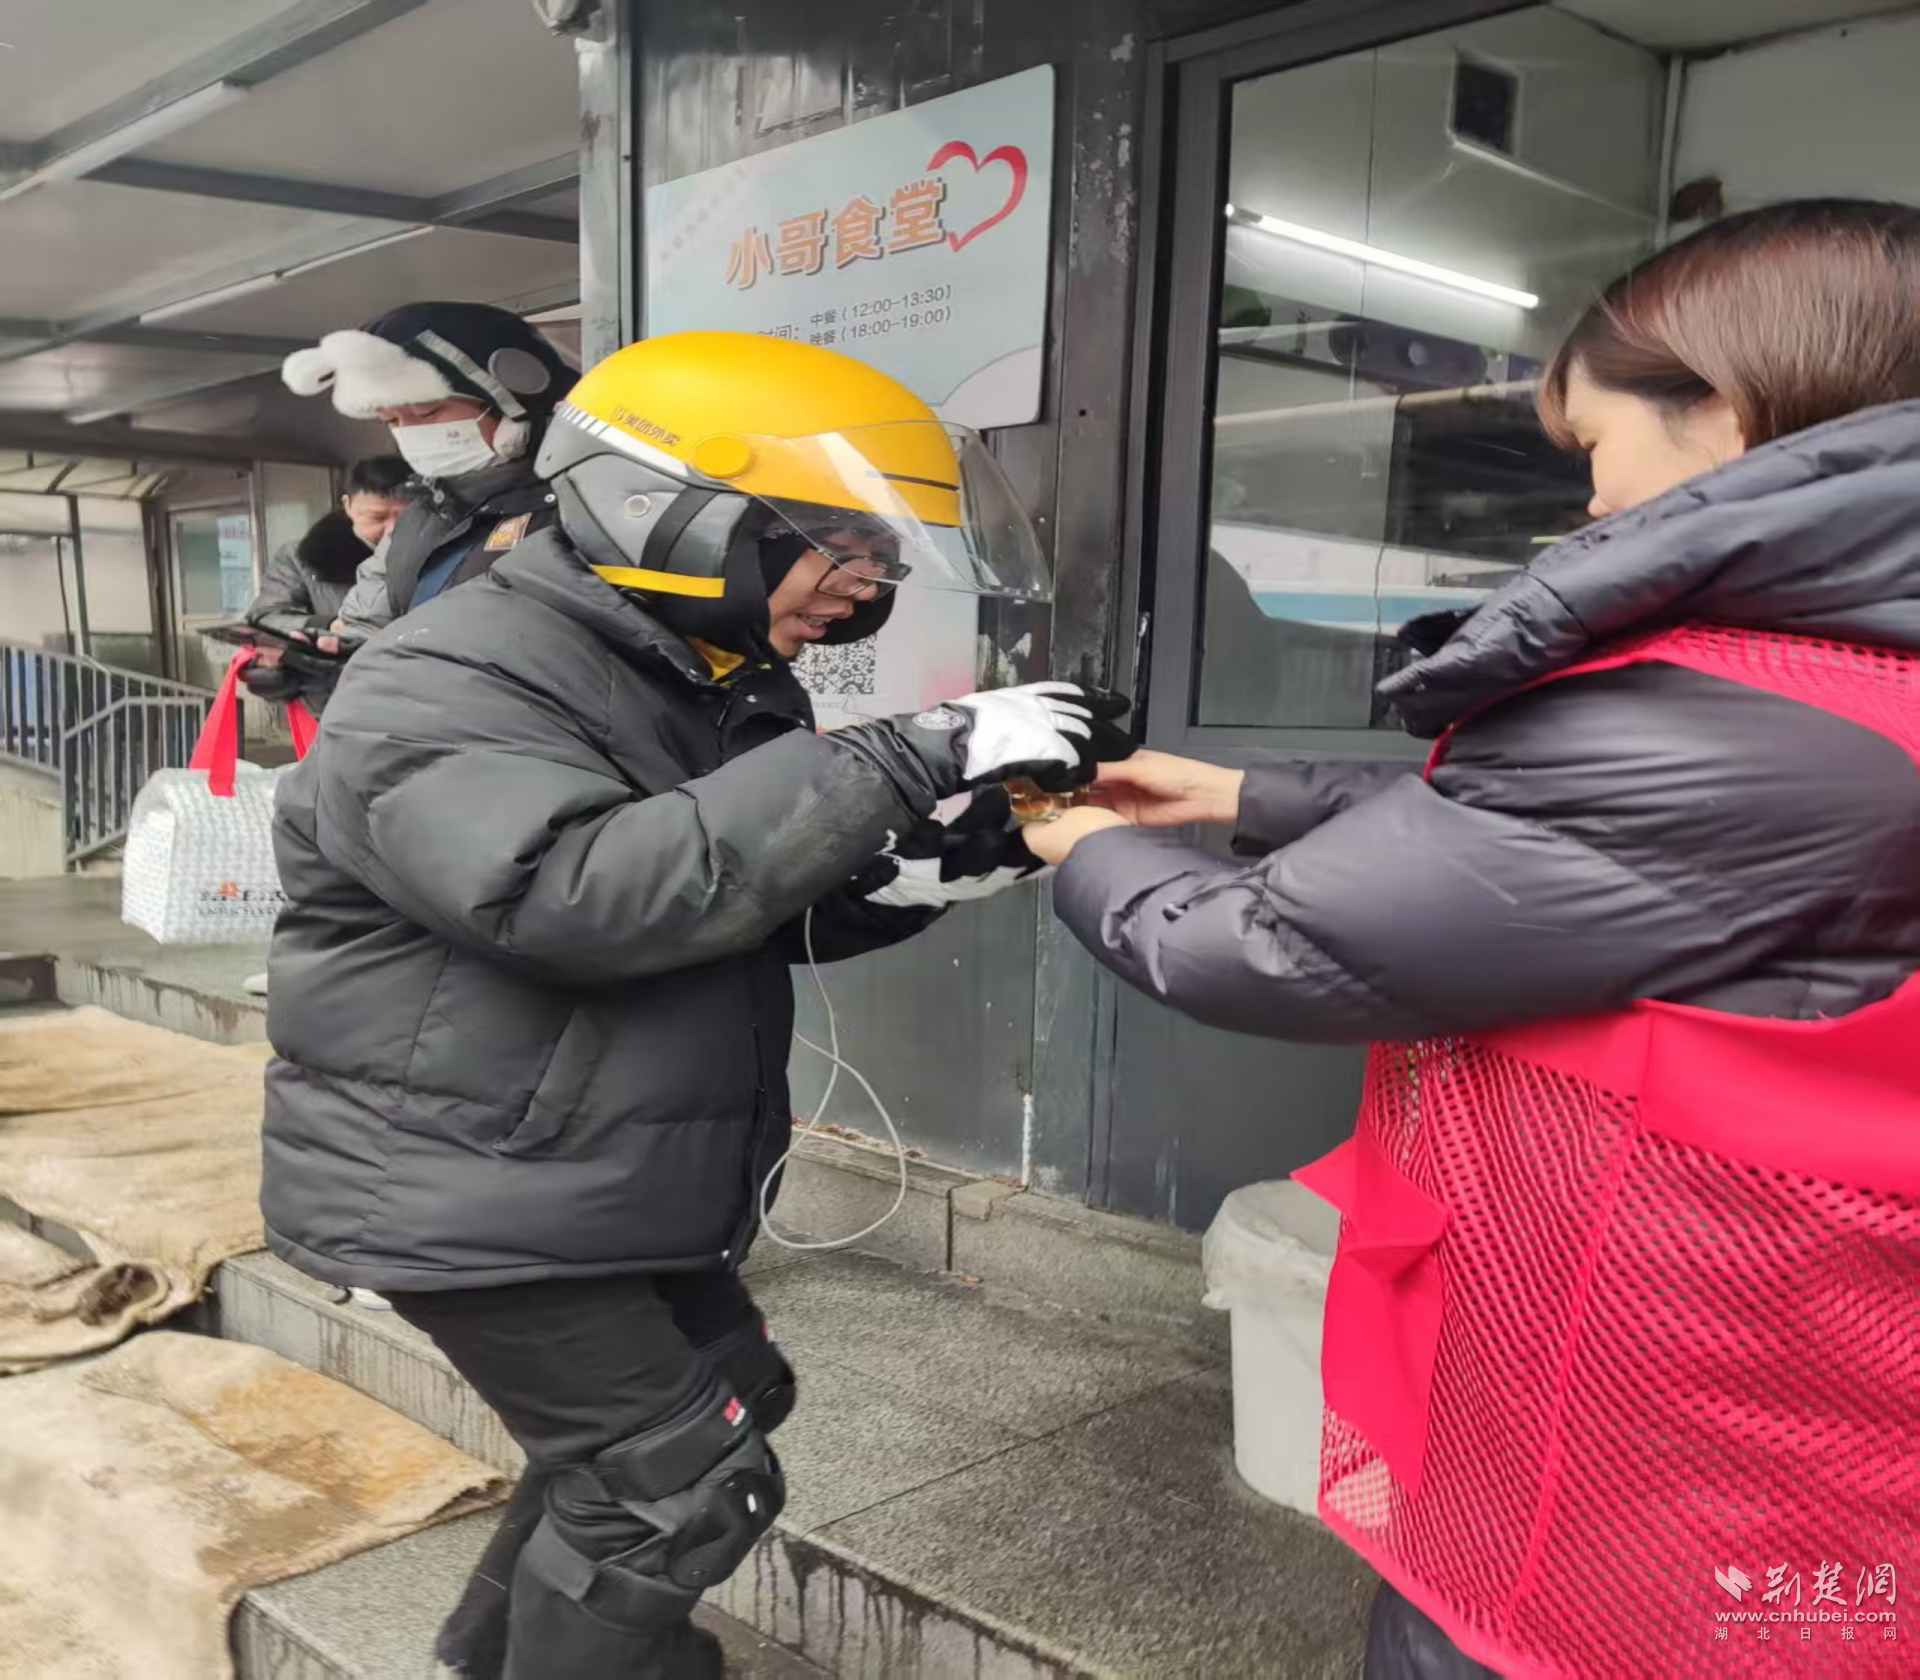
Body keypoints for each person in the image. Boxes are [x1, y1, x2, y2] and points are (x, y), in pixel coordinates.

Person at [1026, 199, 1920, 1680]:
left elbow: (1267, 949)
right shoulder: (1847, 687)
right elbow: (1557, 843)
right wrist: (1244, 795)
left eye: (1596, 444)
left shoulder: (1722, 717)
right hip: (1825, 1382)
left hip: (1663, 1429)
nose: (1590, 495)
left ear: (1725, 410)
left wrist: (1077, 846)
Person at [259, 329, 1124, 1680]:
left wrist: (949, 861)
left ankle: (485, 1663)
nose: (865, 585)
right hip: (466, 1177)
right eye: (840, 544)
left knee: (706, 1416)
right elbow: (572, 892)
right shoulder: (451, 674)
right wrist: (915, 750)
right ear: (671, 510)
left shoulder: (703, 675)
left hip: (574, 1169)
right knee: (676, 1489)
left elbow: (726, 893)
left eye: (882, 555)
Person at [281, 300, 577, 638]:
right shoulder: (423, 515)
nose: (410, 431)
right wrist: (327, 654)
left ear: (511, 401)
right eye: (392, 421)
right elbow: (367, 626)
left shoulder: (583, 500)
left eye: (426, 413)